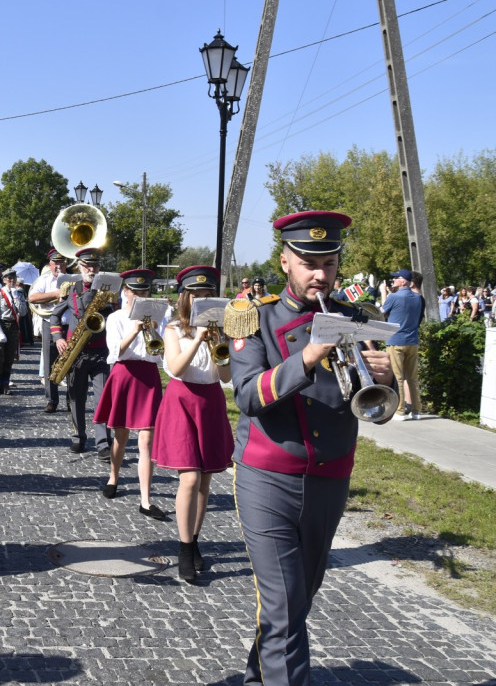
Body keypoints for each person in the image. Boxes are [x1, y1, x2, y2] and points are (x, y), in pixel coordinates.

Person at [230, 211, 394, 685]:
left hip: (330, 476)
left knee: (296, 601)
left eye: (329, 263)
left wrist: (385, 380)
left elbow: (378, 407)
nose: (320, 274)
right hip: (268, 476)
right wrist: (306, 357)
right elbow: (247, 396)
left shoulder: (356, 319)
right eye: (308, 263)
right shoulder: (252, 315)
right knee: (283, 607)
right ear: (285, 262)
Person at [152, 266, 233, 579]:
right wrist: (199, 338)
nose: (201, 299)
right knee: (189, 478)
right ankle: (184, 548)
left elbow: (226, 378)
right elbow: (175, 367)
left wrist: (218, 348)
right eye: (196, 295)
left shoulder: (220, 332)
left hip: (210, 400)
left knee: (205, 479)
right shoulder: (173, 329)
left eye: (207, 295)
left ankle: (194, 540)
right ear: (186, 297)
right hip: (182, 400)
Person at [93, 269, 166, 518]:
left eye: (144, 292)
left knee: (146, 441)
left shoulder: (160, 315)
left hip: (148, 377)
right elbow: (115, 353)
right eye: (135, 292)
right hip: (124, 374)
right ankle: (113, 477)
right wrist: (134, 330)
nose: (140, 296)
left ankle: (146, 500)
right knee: (121, 437)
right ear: (126, 292)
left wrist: (154, 330)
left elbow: (161, 355)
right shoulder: (116, 318)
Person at [50, 247, 115, 459]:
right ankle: (79, 437)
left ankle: (103, 442)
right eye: (87, 265)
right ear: (79, 266)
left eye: (95, 265)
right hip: (75, 353)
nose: (91, 269)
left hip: (100, 353)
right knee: (76, 397)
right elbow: (55, 317)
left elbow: (117, 318)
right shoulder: (70, 289)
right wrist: (58, 338)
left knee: (102, 398)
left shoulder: (109, 291)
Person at [28, 248, 69, 413]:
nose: (58, 266)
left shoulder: (73, 279)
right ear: (50, 264)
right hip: (49, 324)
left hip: (70, 324)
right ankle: (52, 400)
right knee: (50, 363)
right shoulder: (44, 279)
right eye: (55, 263)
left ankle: (72, 400)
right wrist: (56, 294)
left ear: (66, 264)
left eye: (61, 262)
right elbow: (32, 298)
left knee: (71, 363)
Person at [382, 268, 425, 421]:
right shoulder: (418, 298)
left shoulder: (393, 297)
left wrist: (384, 294)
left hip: (395, 340)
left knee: (398, 377)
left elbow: (381, 313)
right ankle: (417, 410)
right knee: (412, 378)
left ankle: (400, 411)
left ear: (403, 281)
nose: (393, 280)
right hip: (412, 341)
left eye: (396, 278)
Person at [0, 267, 28, 395]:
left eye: (14, 278)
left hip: (13, 326)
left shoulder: (19, 294)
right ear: (5, 280)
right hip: (0, 325)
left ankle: (5, 383)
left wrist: (17, 298)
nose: (12, 281)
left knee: (9, 356)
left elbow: (23, 312)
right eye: (9, 278)